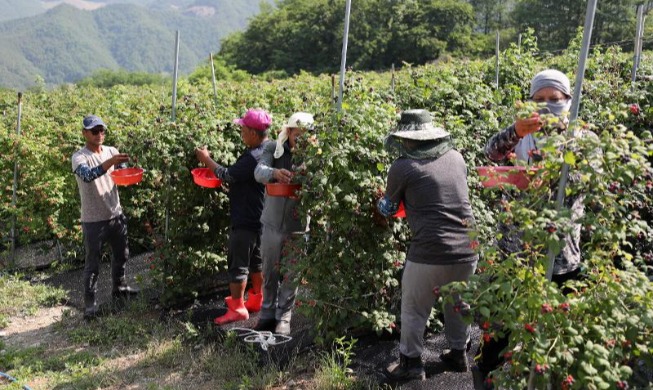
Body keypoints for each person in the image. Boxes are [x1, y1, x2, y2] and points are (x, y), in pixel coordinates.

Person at [473, 69, 592, 389]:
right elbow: (490, 154)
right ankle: (486, 371)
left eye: (554, 99)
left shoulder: (582, 139)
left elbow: (584, 182)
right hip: (515, 251)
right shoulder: (523, 134)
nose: (547, 105)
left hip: (560, 252)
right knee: (499, 325)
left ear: (569, 100)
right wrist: (514, 132)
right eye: (539, 99)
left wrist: (544, 177)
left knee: (557, 326)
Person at [377, 109, 479, 381]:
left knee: (414, 306)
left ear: (406, 138)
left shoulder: (402, 167)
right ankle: (458, 355)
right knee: (458, 302)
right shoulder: (456, 158)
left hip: (429, 249)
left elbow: (388, 208)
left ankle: (411, 364)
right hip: (468, 246)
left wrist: (381, 199)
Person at [195, 109, 271, 325]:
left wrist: (206, 159)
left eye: (243, 129)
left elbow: (227, 175)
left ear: (254, 134)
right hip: (261, 214)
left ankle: (238, 308)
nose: (241, 133)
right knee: (257, 261)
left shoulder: (251, 157)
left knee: (238, 264)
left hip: (245, 217)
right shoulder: (268, 148)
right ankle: (257, 299)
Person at [72, 115, 139, 320]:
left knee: (122, 254)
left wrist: (132, 172)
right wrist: (109, 162)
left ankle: (120, 289)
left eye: (102, 130)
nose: (99, 134)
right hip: (93, 220)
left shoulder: (112, 151)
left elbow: (120, 173)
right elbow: (88, 175)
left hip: (115, 214)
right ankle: (90, 304)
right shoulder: (79, 157)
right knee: (93, 263)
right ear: (85, 133)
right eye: (94, 131)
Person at [253, 112, 314, 336]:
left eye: (307, 137)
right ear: (288, 132)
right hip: (271, 221)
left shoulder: (313, 155)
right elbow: (259, 172)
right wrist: (275, 173)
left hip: (298, 225)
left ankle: (284, 317)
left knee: (291, 273)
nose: (302, 141)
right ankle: (267, 313)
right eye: (298, 136)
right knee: (269, 269)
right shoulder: (273, 149)